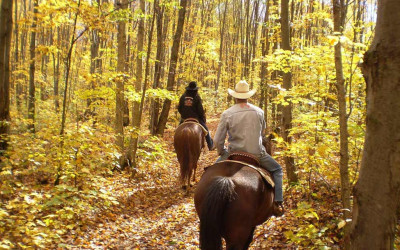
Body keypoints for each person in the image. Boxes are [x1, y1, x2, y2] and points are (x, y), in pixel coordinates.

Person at [213, 80, 284, 216]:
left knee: (210, 171)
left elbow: (217, 140)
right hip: (257, 154)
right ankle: (278, 203)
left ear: (235, 96)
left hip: (234, 152)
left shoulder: (227, 113)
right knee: (277, 170)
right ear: (248, 96)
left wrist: (223, 152)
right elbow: (261, 132)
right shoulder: (259, 112)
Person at [178, 81, 214, 151]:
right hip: (195, 118)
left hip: (184, 118)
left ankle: (176, 147)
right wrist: (201, 116)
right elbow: (200, 110)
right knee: (206, 130)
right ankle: (210, 145)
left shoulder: (183, 96)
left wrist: (183, 114)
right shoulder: (197, 97)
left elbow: (179, 108)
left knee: (177, 131)